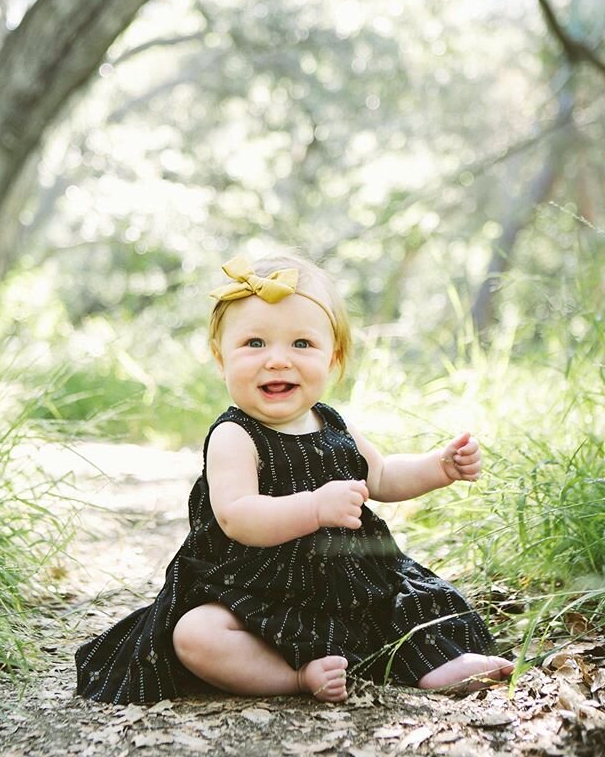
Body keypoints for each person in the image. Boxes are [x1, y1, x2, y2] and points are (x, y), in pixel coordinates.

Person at [75, 252, 513, 705]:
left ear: (333, 357)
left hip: (349, 585)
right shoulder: (235, 436)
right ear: (219, 357)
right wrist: (314, 507)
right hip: (257, 594)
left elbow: (380, 475)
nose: (278, 361)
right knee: (195, 634)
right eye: (255, 343)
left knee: (413, 605)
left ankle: (433, 665)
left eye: (301, 344)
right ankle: (295, 675)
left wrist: (437, 468)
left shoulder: (332, 424)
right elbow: (237, 516)